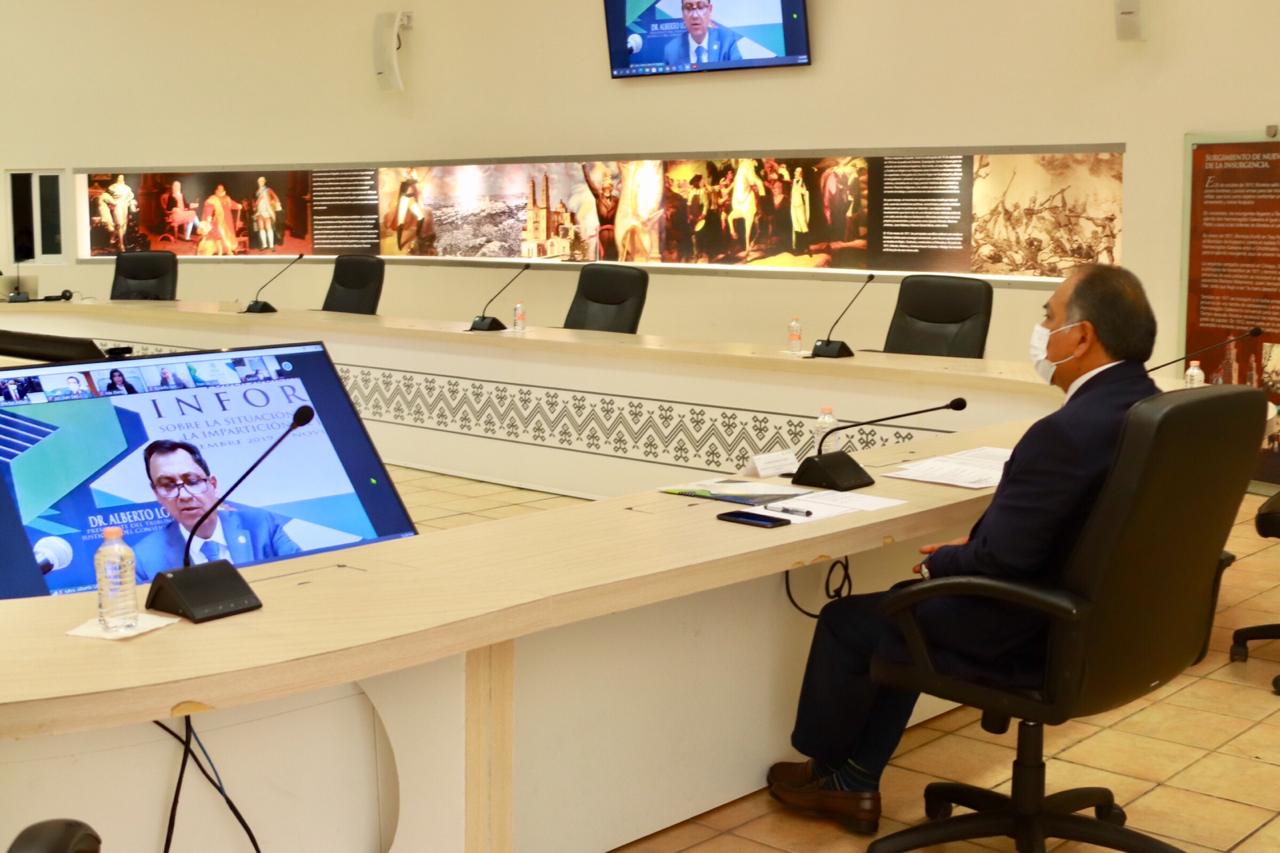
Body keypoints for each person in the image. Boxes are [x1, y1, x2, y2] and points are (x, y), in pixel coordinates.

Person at [767, 264, 1160, 834]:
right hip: (1113, 624)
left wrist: (943, 560)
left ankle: (834, 774)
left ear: (1081, 337)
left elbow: (1006, 562)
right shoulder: (1148, 406)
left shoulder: (1067, 431)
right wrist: (979, 542)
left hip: (1030, 630)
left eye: (1049, 316)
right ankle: (853, 778)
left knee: (854, 621)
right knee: (904, 613)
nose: (1041, 330)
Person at [132, 439, 301, 581]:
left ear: (213, 485)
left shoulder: (261, 524)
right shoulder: (143, 559)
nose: (184, 495)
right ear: (157, 495)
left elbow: (303, 575)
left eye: (192, 481)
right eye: (168, 485)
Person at [663, 1, 741, 67]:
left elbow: (739, 75)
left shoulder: (727, 40)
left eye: (700, 7)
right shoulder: (671, 50)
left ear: (710, 10)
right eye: (688, 8)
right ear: (683, 13)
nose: (695, 15)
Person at [581, 162, 620, 261]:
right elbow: (589, 181)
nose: (607, 188)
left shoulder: (616, 200)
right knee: (604, 257)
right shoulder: (599, 198)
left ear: (612, 187)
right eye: (605, 186)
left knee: (614, 257)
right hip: (603, 234)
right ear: (602, 187)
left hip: (614, 234)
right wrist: (584, 166)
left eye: (609, 186)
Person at [254, 176, 283, 252]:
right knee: (261, 228)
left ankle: (271, 246)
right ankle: (264, 245)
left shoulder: (268, 190)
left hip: (267, 211)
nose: (260, 183)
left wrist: (275, 204)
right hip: (259, 212)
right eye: (259, 181)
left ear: (264, 182)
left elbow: (275, 198)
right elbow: (256, 202)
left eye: (261, 181)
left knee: (269, 228)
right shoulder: (257, 191)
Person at [790, 166, 811, 254]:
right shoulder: (794, 181)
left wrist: (803, 191)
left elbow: (806, 193)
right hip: (793, 206)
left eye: (797, 172)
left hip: (800, 207)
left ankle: (805, 247)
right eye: (795, 171)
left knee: (803, 226)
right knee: (796, 226)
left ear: (801, 174)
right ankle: (798, 248)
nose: (795, 173)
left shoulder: (802, 183)